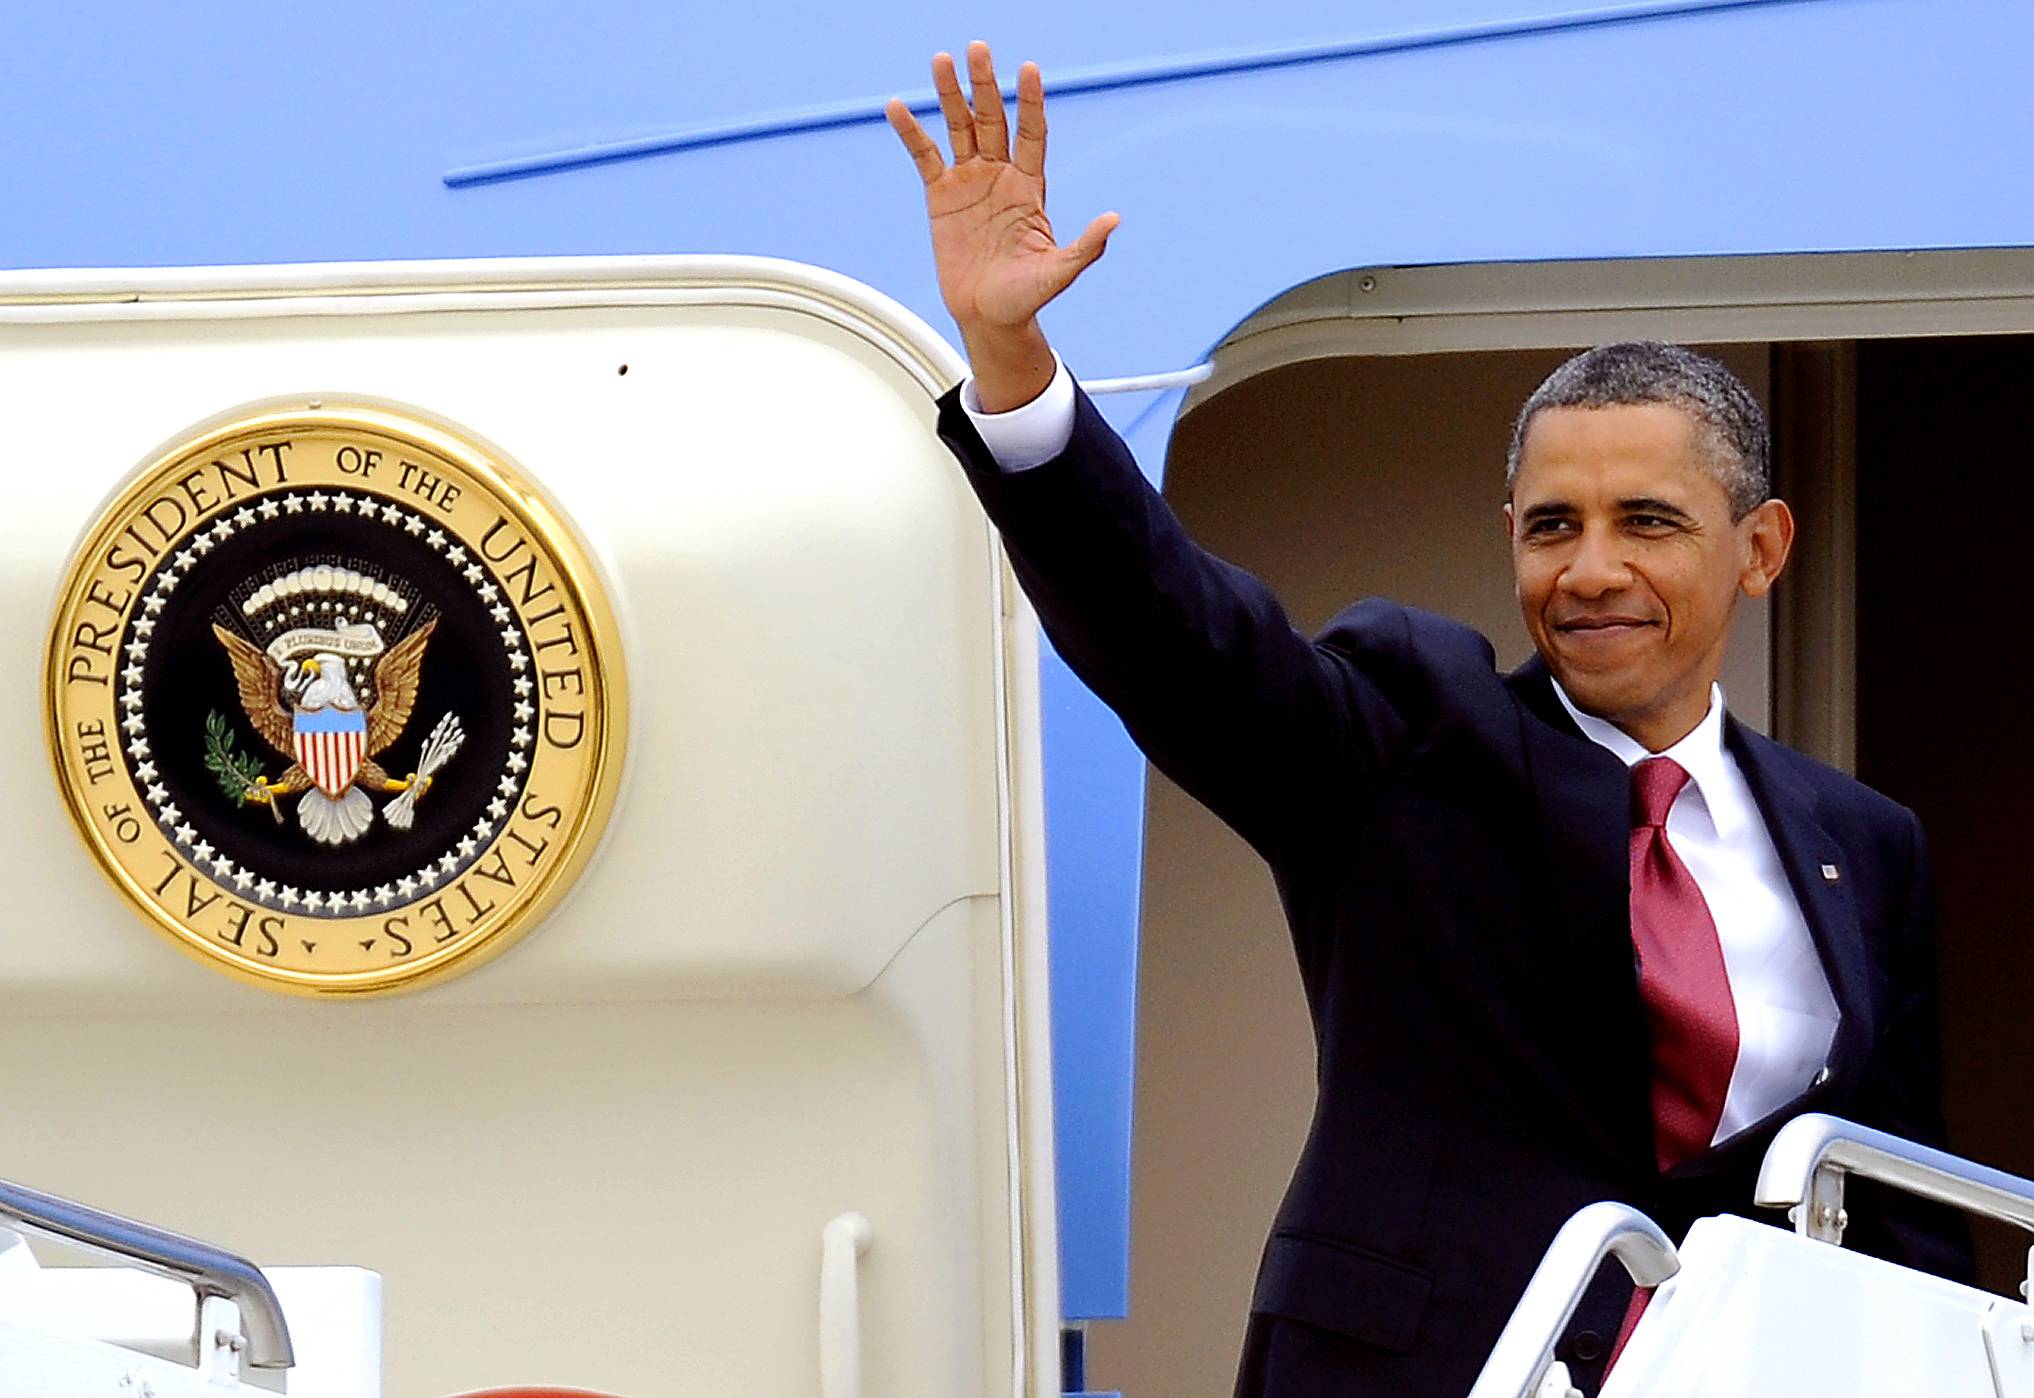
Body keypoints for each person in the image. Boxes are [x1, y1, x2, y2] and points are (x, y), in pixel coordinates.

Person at [888, 43, 1972, 1397]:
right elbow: (1181, 641)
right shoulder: (1411, 732)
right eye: (1549, 526)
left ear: (1758, 547)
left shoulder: (1864, 844)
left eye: (1646, 523)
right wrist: (1014, 366)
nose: (1587, 570)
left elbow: (1898, 1192)